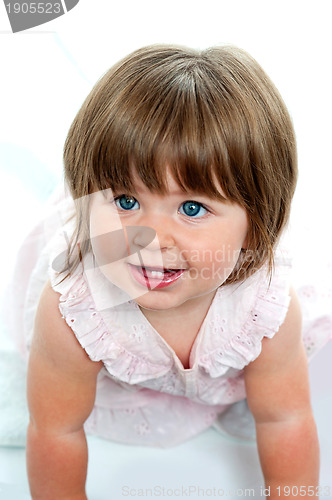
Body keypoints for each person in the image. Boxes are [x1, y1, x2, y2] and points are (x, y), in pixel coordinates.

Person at [14, 44, 330, 498]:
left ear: (256, 229)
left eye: (192, 207)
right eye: (126, 200)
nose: (150, 239)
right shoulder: (75, 308)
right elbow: (54, 430)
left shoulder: (264, 308)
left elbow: (285, 418)